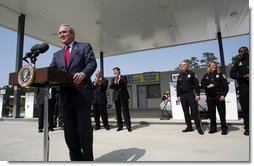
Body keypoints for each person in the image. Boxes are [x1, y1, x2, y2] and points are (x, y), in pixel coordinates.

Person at [50, 24, 97, 161]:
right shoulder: (57, 55)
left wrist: (83, 73)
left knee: (84, 131)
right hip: (65, 98)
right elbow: (51, 72)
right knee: (69, 133)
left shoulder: (84, 47)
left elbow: (92, 64)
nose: (61, 35)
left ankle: (88, 160)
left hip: (82, 96)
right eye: (59, 33)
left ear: (72, 34)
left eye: (64, 32)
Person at [176, 60, 204, 135]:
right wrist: (178, 95)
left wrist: (198, 94)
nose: (182, 66)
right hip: (183, 96)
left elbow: (197, 85)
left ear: (187, 65)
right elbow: (178, 86)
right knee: (186, 112)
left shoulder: (192, 74)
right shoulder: (179, 76)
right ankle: (189, 127)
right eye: (181, 65)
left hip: (191, 94)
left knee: (194, 112)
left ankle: (199, 128)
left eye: (184, 65)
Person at [201, 61, 229, 135]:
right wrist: (207, 86)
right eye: (212, 65)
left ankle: (224, 128)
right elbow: (202, 85)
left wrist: (223, 95)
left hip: (219, 96)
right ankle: (213, 128)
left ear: (216, 67)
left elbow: (226, 86)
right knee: (211, 114)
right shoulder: (206, 75)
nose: (213, 66)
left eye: (215, 65)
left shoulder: (220, 74)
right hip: (210, 97)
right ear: (209, 67)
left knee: (222, 113)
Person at [230, 46, 249, 136]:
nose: (239, 53)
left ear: (246, 51)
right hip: (243, 87)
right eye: (239, 52)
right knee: (245, 108)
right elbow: (232, 74)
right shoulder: (237, 62)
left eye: (241, 51)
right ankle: (248, 127)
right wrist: (242, 76)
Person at [109, 67, 132, 132]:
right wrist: (115, 81)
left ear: (118, 71)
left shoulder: (124, 77)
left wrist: (118, 79)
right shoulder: (113, 79)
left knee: (125, 112)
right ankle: (120, 126)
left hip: (123, 97)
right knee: (118, 112)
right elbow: (111, 86)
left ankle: (128, 127)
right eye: (113, 72)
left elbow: (124, 84)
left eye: (115, 71)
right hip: (116, 97)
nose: (114, 73)